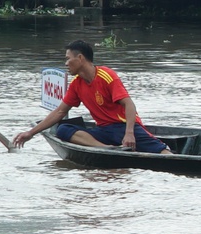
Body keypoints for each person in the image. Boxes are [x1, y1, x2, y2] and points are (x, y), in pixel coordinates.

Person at [11, 40, 167, 153]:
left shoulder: (106, 75)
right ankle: (108, 150)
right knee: (63, 129)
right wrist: (31, 132)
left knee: (162, 152)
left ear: (80, 58)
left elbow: (129, 105)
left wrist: (129, 133)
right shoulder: (77, 84)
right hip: (103, 131)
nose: (66, 63)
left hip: (122, 126)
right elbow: (59, 112)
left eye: (68, 58)